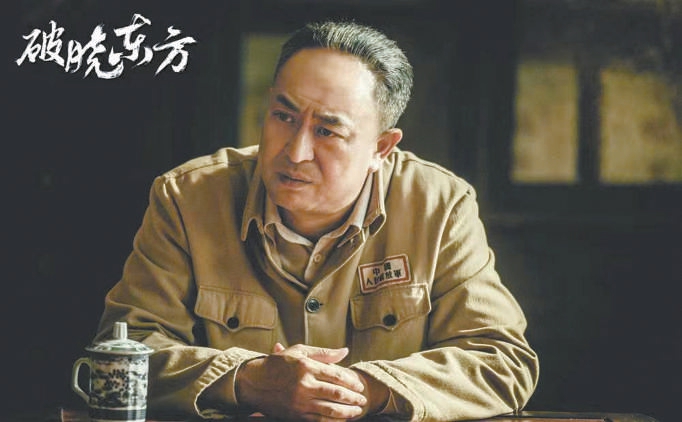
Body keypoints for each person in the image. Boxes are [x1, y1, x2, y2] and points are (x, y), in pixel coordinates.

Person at [94, 20, 539, 422]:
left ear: (381, 149)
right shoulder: (188, 198)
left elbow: (502, 361)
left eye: (327, 130)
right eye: (284, 116)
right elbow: (125, 350)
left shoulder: (438, 205)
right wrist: (248, 380)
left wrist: (365, 390)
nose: (295, 151)